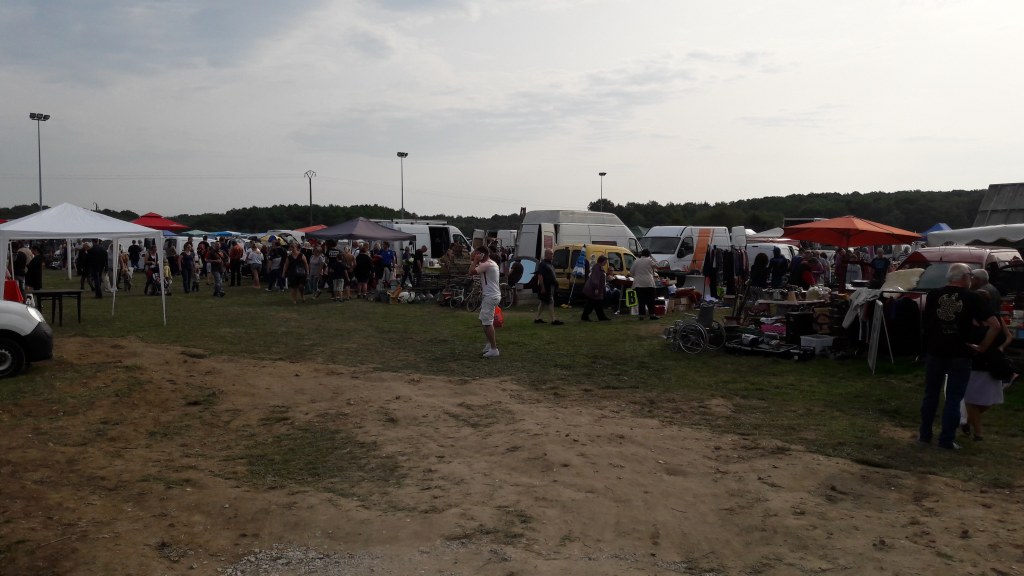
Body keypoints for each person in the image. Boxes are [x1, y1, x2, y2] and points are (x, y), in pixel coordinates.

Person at [919, 263, 1002, 450]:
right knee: (954, 399)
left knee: (930, 395)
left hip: (935, 350)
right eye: (970, 276)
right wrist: (982, 347)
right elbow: (996, 325)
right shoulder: (972, 298)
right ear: (964, 277)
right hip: (960, 353)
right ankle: (946, 440)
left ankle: (924, 435)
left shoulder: (933, 295)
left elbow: (927, 323)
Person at [963, 289, 1015, 441]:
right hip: (975, 362)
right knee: (972, 399)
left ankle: (968, 421)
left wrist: (1001, 347)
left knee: (990, 400)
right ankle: (978, 433)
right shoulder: (968, 319)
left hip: (992, 363)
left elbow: (1008, 336)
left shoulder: (995, 318)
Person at [469, 246, 501, 358]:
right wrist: (475, 259)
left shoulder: (486, 264)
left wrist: (475, 260)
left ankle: (494, 349)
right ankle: (489, 344)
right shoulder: (492, 263)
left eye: (477, 253)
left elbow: (471, 272)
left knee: (487, 322)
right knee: (485, 321)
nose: (475, 255)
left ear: (482, 254)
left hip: (490, 296)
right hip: (493, 295)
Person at [532, 249, 563, 325]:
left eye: (552, 254)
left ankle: (537, 318)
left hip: (550, 286)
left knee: (543, 302)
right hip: (546, 286)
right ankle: (553, 320)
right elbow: (540, 275)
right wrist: (543, 287)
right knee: (550, 301)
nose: (552, 255)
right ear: (546, 254)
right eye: (551, 254)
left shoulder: (550, 264)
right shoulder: (543, 264)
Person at [629, 248, 660, 320]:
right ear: (649, 254)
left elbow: (631, 271)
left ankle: (641, 315)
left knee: (641, 300)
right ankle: (652, 315)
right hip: (649, 283)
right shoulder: (649, 260)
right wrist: (652, 257)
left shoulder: (636, 261)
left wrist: (636, 276)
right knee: (650, 300)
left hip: (638, 283)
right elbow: (658, 265)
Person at [581, 255, 611, 322]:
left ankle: (600, 317)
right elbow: (595, 279)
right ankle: (586, 316)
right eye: (605, 261)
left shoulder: (599, 267)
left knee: (595, 304)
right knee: (593, 303)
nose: (606, 262)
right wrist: (596, 288)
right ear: (602, 261)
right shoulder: (597, 268)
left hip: (595, 289)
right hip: (593, 289)